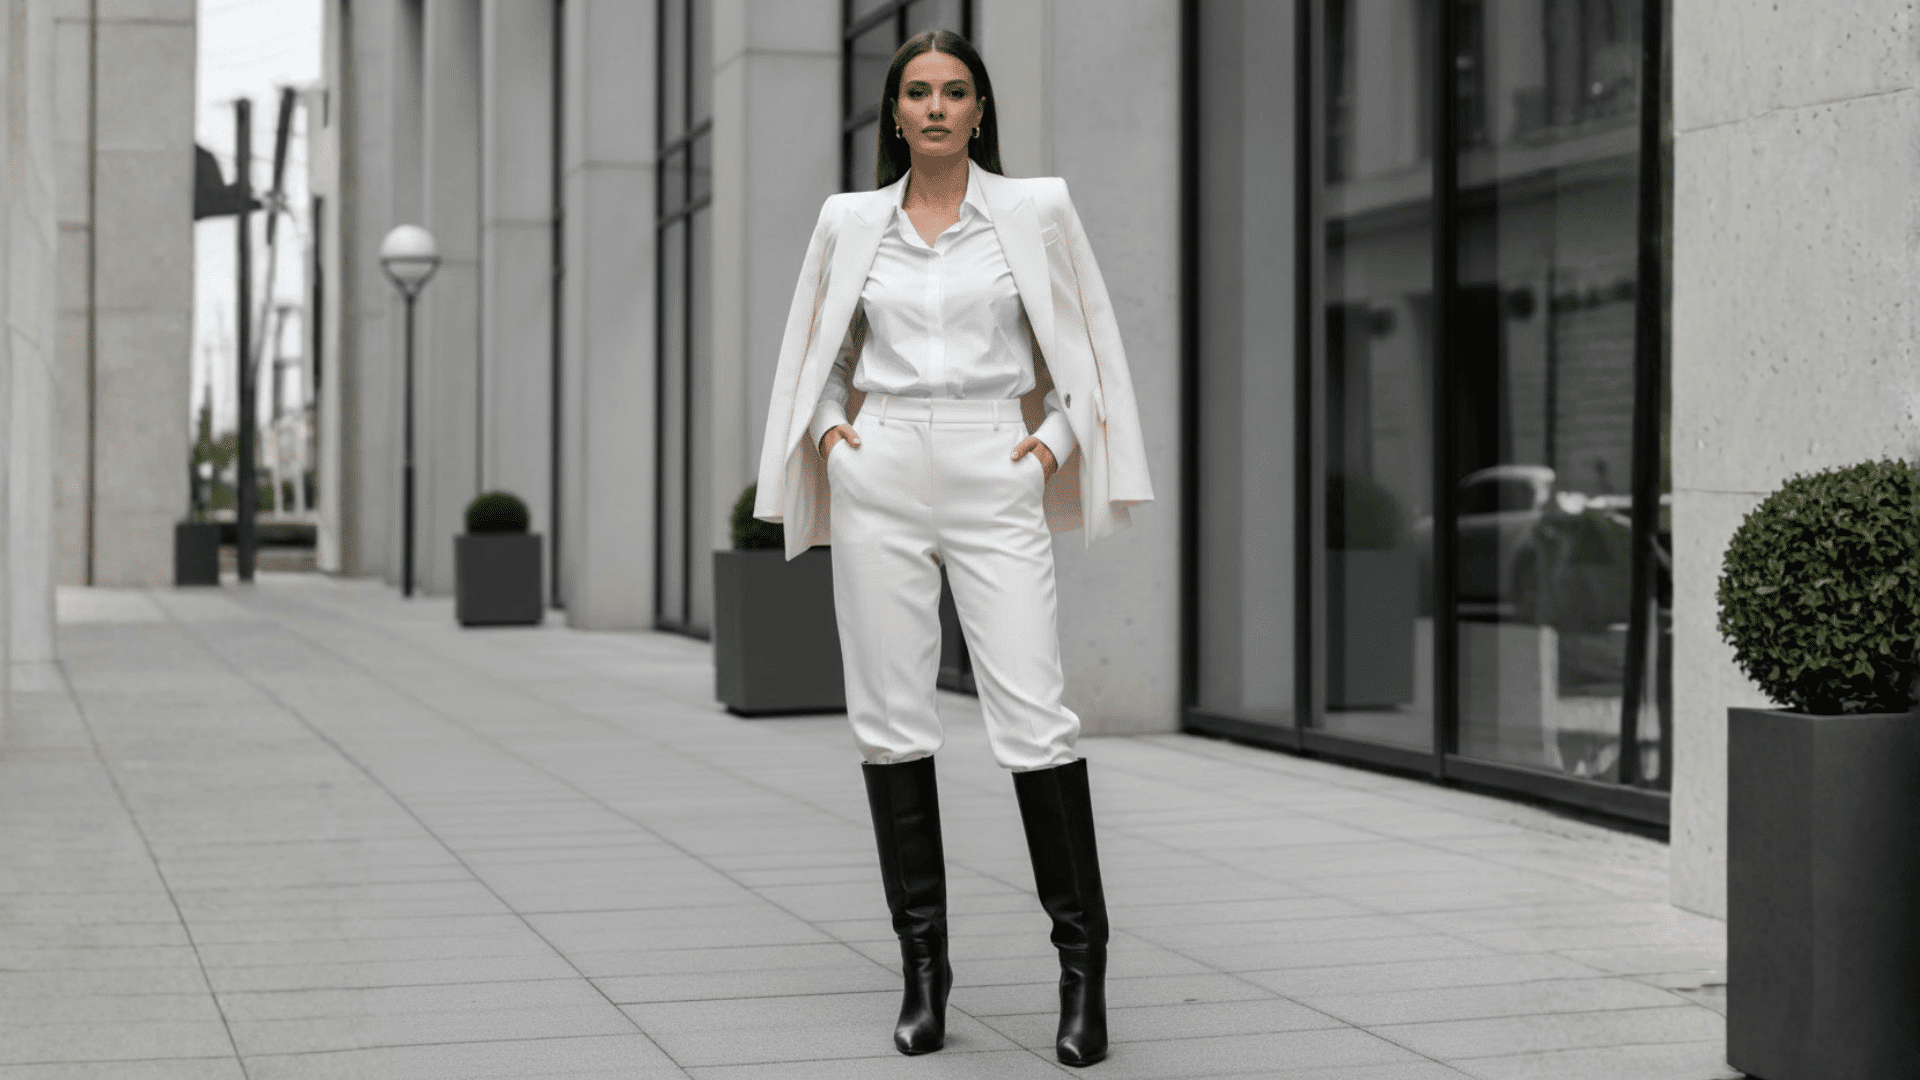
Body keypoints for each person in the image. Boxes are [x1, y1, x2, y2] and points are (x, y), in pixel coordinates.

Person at [751, 28, 1153, 1068]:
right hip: (880, 463)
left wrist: (1045, 448)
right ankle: (923, 974)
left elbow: (1087, 353)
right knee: (891, 721)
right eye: (918, 92)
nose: (936, 107)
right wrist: (837, 437)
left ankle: (1082, 973)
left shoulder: (1035, 210)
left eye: (956, 91)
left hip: (992, 459)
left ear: (980, 112)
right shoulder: (849, 223)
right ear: (895, 114)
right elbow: (821, 354)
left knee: (1033, 711)